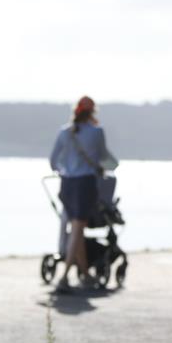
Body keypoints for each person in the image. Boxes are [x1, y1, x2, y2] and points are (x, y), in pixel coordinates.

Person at [48, 96, 118, 292]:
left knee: (75, 229)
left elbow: (53, 161)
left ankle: (86, 274)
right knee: (78, 229)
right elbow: (105, 157)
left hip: (67, 184)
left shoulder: (64, 132)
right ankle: (64, 277)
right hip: (85, 184)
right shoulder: (97, 132)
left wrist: (64, 170)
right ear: (93, 112)